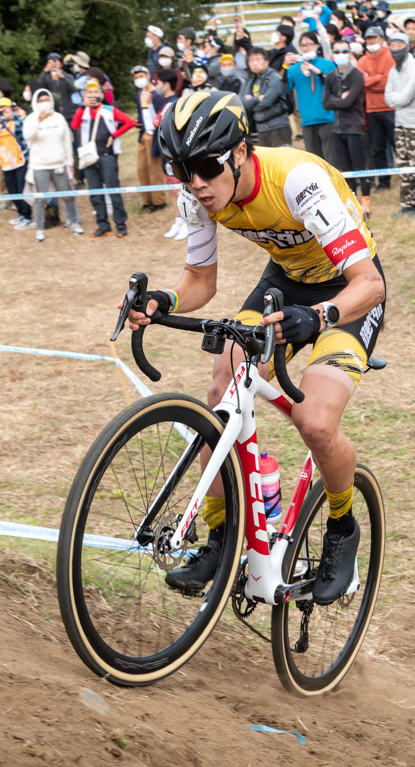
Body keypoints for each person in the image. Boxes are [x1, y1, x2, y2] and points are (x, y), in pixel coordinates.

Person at [142, 91, 386, 604]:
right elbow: (200, 281)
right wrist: (165, 299)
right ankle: (221, 536)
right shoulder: (198, 193)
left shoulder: (299, 181)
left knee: (315, 421)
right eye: (181, 169)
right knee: (222, 391)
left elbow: (369, 284)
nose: (196, 184)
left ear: (240, 151)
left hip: (346, 292)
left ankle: (342, 528)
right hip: (286, 285)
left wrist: (320, 317)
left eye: (206, 167)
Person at [72, 80, 137, 238]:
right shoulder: (83, 111)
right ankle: (103, 225)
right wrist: (82, 106)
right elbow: (74, 126)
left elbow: (129, 122)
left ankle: (121, 225)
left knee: (113, 190)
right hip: (89, 157)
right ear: (84, 95)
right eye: (89, 92)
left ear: (102, 95)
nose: (93, 95)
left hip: (107, 155)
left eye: (96, 92)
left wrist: (114, 135)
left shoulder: (109, 110)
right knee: (95, 193)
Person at [322, 39, 374, 220]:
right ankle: (352, 203)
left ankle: (366, 202)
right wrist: (339, 99)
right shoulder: (330, 77)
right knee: (345, 169)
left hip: (355, 127)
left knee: (360, 167)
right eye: (336, 52)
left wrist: (336, 100)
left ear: (350, 53)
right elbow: (325, 103)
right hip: (337, 128)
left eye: (344, 51)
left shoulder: (357, 75)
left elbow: (347, 102)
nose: (340, 55)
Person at [24, 88, 84, 241]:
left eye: (47, 99)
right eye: (41, 100)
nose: (44, 103)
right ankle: (39, 228)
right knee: (40, 199)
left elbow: (66, 142)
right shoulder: (31, 119)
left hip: (59, 163)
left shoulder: (59, 118)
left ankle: (73, 222)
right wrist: (39, 120)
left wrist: (69, 162)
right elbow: (28, 136)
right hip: (40, 165)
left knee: (68, 195)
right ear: (35, 102)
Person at [385, 31, 415, 217]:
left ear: (407, 47)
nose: (395, 49)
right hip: (400, 124)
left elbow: (404, 97)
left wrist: (395, 98)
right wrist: (396, 98)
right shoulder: (393, 69)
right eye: (392, 46)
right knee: (403, 165)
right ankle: (408, 204)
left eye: (399, 45)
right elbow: (387, 98)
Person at [286, 31, 338, 164]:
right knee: (315, 161)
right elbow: (284, 89)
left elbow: (335, 86)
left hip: (327, 118)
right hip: (308, 120)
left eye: (309, 44)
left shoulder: (327, 65)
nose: (305, 48)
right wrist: (285, 66)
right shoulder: (294, 69)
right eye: (302, 45)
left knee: (331, 159)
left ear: (317, 45)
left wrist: (318, 72)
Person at [0, 97, 32, 229]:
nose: (3, 110)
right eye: (0, 108)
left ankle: (28, 216)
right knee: (12, 190)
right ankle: (21, 213)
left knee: (22, 189)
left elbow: (26, 127)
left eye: (6, 107)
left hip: (20, 161)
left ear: (12, 108)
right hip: (5, 163)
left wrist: (18, 115)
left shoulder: (17, 122)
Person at [358, 26, 396, 191]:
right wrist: (378, 78)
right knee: (378, 148)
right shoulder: (362, 61)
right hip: (372, 110)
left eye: (374, 38)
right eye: (368, 39)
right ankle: (384, 182)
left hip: (390, 108)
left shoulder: (390, 56)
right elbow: (361, 83)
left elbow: (390, 82)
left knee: (397, 145)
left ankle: (407, 177)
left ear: (381, 38)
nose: (371, 41)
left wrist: (371, 80)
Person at [131, 66, 168, 214]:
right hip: (143, 135)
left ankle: (159, 200)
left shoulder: (157, 94)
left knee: (154, 168)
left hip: (154, 135)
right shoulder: (140, 94)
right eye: (135, 77)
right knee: (142, 169)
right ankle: (146, 200)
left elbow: (160, 116)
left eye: (141, 75)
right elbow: (141, 116)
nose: (138, 79)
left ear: (147, 75)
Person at [241, 48, 292, 148]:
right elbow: (242, 103)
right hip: (261, 128)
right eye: (251, 61)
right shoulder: (251, 81)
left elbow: (267, 102)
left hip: (278, 126)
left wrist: (251, 103)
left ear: (267, 62)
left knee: (280, 160)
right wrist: (257, 99)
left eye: (258, 60)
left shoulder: (274, 77)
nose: (254, 63)